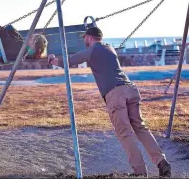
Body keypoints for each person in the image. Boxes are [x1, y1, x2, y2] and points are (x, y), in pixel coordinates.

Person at [47, 26, 171, 178]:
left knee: (125, 133)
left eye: (85, 37)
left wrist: (53, 59)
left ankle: (139, 172)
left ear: (90, 37)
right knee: (141, 128)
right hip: (130, 89)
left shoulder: (92, 50)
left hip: (115, 93)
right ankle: (161, 162)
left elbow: (69, 61)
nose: (84, 40)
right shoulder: (110, 48)